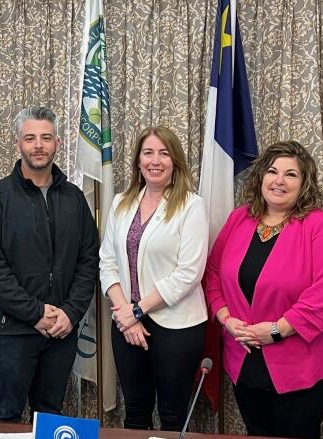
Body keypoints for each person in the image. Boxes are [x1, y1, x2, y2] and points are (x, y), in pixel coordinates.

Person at [203, 141, 323, 439]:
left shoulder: (321, 225)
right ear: (261, 178)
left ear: (304, 183)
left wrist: (274, 330)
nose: (279, 180)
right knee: (257, 433)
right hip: (244, 356)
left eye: (291, 174)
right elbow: (213, 273)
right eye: (272, 171)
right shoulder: (239, 219)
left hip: (301, 362)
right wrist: (227, 319)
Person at [0, 106, 99, 421]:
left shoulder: (74, 198)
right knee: (5, 415)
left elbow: (88, 261)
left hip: (61, 330)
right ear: (18, 144)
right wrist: (36, 312)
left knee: (52, 416)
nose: (38, 145)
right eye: (30, 138)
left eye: (45, 138)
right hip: (10, 333)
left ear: (57, 143)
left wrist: (70, 313)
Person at [99, 126, 208, 431]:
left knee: (172, 416)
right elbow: (107, 261)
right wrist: (126, 314)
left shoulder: (191, 205)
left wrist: (137, 310)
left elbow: (189, 273)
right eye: (148, 153)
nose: (155, 160)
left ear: (175, 162)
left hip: (177, 327)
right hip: (126, 325)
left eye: (164, 153)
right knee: (135, 412)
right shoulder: (121, 202)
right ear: (138, 161)